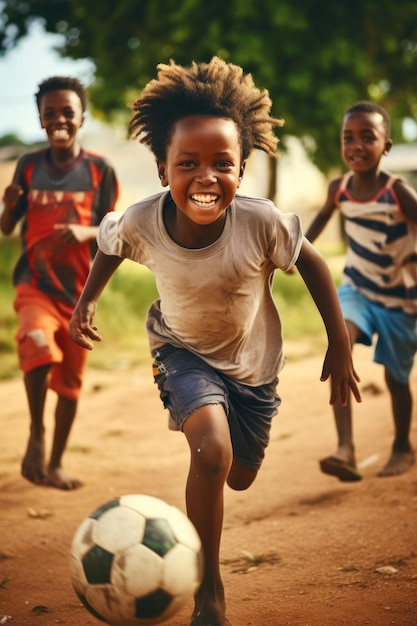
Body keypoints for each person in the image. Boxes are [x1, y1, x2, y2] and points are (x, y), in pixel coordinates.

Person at [69, 57, 361, 626]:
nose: (206, 177)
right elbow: (109, 243)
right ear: (162, 170)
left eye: (222, 163)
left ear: (242, 169)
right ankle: (209, 590)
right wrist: (87, 301)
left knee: (240, 471)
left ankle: (228, 459)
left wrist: (340, 344)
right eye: (188, 164)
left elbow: (317, 265)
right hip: (180, 351)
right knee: (211, 450)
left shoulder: (262, 222)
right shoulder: (143, 220)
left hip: (254, 368)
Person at [0, 76, 119, 490]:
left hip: (79, 293)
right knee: (37, 342)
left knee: (69, 384)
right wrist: (7, 206)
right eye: (50, 113)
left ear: (81, 117)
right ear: (40, 119)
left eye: (67, 112)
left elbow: (112, 231)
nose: (59, 119)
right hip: (35, 283)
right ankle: (36, 433)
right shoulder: (29, 165)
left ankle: (54, 464)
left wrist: (85, 233)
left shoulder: (100, 169)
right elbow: (7, 226)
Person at [305, 100, 417, 482]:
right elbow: (314, 229)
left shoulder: (398, 192)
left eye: (367, 137)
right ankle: (345, 448)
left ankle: (402, 445)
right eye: (348, 137)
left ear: (385, 146)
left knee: (396, 379)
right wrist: (285, 256)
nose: (356, 145)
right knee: (340, 346)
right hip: (357, 290)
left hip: (402, 301)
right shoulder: (340, 189)